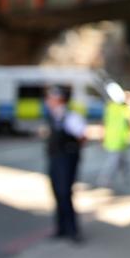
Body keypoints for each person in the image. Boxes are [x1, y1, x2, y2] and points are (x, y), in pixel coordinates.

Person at [44, 84, 85, 242]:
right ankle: (61, 228)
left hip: (66, 160)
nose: (48, 101)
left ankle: (73, 230)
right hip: (55, 158)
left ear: (59, 99)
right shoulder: (53, 116)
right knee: (57, 192)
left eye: (51, 98)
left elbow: (82, 136)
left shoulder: (70, 116)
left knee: (65, 192)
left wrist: (71, 150)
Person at [96, 85, 130, 192]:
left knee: (122, 161)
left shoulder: (110, 107)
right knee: (113, 161)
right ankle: (104, 180)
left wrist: (102, 136)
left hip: (115, 140)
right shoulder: (124, 109)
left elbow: (103, 123)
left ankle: (128, 178)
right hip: (118, 140)